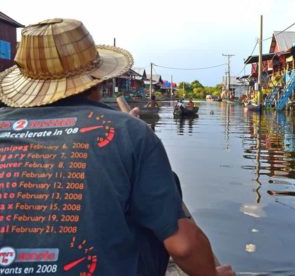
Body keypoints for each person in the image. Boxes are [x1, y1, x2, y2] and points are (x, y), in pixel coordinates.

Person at [0, 18, 234, 276]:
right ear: (97, 81)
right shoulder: (129, 132)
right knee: (158, 198)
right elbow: (184, 247)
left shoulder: (126, 130)